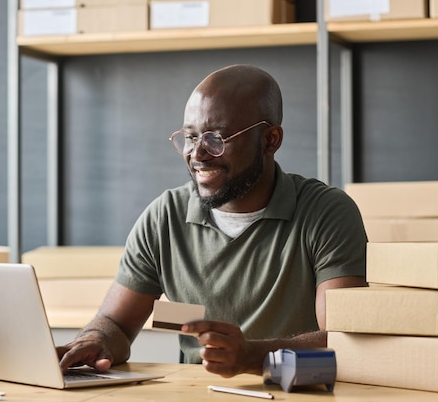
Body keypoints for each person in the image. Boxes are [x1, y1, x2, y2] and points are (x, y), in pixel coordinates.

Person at [57, 64, 367, 378]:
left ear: (270, 140)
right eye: (190, 138)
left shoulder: (327, 213)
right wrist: (95, 340)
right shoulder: (165, 217)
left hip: (297, 394)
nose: (198, 154)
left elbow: (345, 341)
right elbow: (117, 326)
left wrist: (251, 357)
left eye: (217, 138)